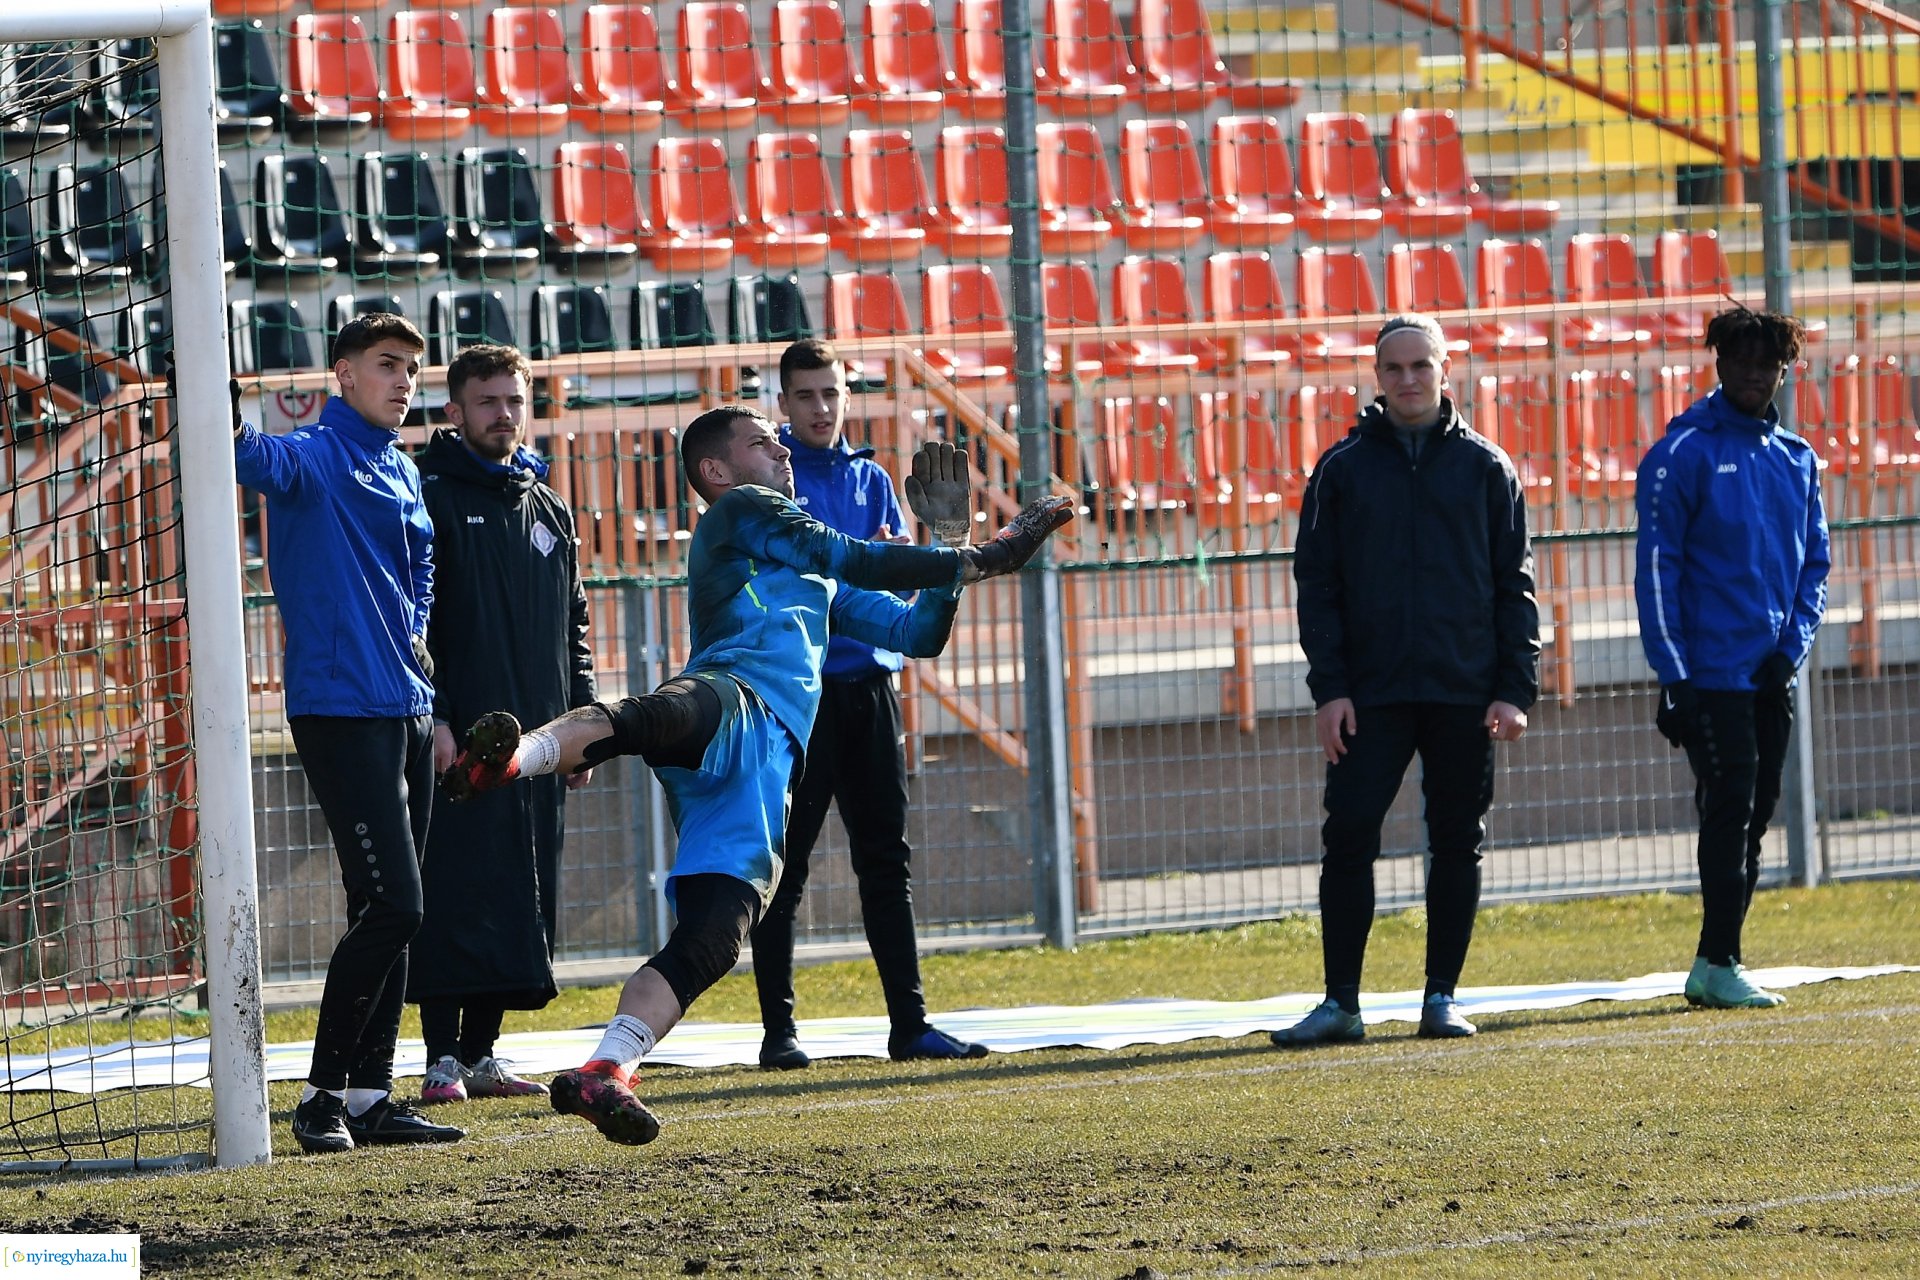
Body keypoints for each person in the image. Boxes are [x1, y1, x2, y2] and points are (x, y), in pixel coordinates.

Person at [440, 407, 1073, 1144]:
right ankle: (509, 761)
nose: (781, 448)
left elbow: (915, 633)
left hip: (767, 771)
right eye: (761, 440)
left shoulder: (814, 573)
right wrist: (982, 555)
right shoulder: (743, 510)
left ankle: (606, 1070)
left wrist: (953, 555)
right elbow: (854, 556)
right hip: (730, 697)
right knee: (651, 715)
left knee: (712, 940)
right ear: (717, 471)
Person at [231, 313, 464, 1153]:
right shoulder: (314, 456)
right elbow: (246, 456)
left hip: (404, 707)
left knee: (394, 910)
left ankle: (371, 1096)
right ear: (343, 376)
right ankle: (319, 1098)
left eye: (411, 368)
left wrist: (431, 703)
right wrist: (213, 399)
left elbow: (420, 589)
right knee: (397, 903)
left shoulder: (403, 471)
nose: (404, 381)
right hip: (337, 709)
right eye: (386, 365)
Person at [1277, 313, 1540, 1048]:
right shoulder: (1343, 469)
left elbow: (1513, 588)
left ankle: (1442, 997)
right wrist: (1329, 690)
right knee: (1350, 836)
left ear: (1446, 370)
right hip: (1370, 695)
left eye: (1420, 365)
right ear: (1375, 377)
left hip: (1464, 689)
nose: (1408, 379)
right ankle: (1341, 1005)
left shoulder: (1488, 469)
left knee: (1458, 840)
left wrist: (1515, 688)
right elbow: (1317, 586)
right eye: (1393, 369)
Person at [749, 340, 986, 1071]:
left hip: (871, 694)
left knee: (887, 861)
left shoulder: (872, 478)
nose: (821, 408)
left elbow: (898, 588)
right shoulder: (771, 484)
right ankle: (779, 1032)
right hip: (802, 696)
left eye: (831, 393)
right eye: (806, 395)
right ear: (783, 404)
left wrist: (912, 560)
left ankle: (910, 1026)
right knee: (781, 869)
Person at [409, 345, 595, 1105]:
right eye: (487, 402)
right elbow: (412, 620)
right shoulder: (430, 498)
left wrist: (587, 725)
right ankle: (439, 1059)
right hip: (458, 744)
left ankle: (483, 1055)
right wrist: (442, 716)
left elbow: (576, 624)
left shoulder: (547, 505)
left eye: (514, 401)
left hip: (539, 740)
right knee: (454, 891)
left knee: (520, 892)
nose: (504, 415)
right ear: (454, 413)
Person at [1634, 308, 1829, 1010]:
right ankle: (1720, 960)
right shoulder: (1682, 453)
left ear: (1784, 370)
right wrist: (1674, 675)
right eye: (1739, 361)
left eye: (1766, 363)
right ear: (1718, 365)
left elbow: (1815, 570)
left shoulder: (1798, 461)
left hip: (1768, 673)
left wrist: (1791, 650)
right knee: (1730, 803)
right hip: (1708, 674)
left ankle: (1714, 960)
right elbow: (1656, 572)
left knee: (1755, 811)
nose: (1752, 374)